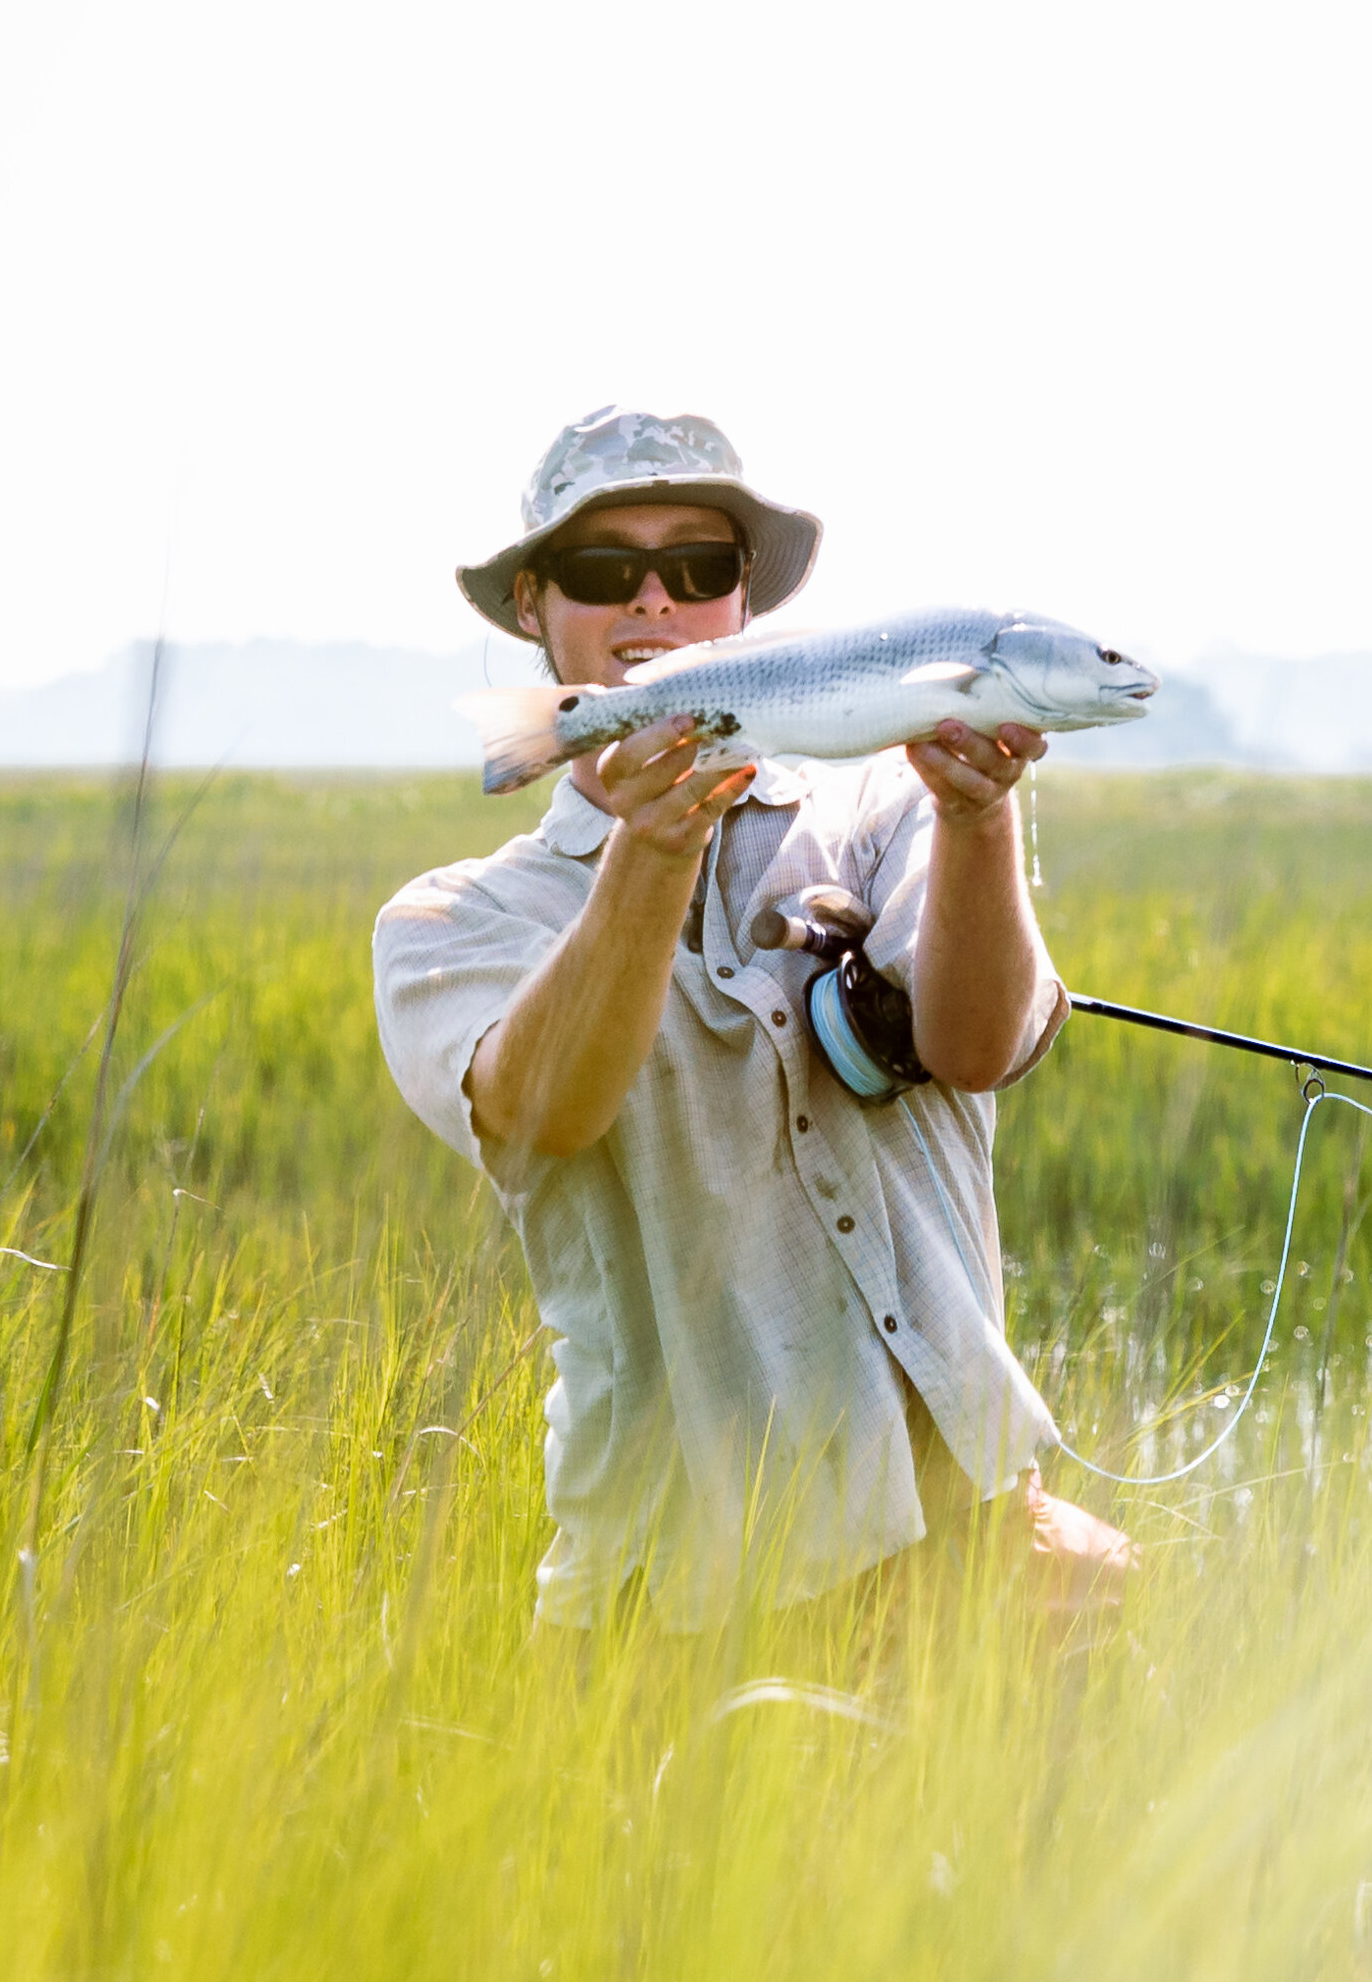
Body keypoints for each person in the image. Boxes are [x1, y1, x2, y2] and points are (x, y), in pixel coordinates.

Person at [372, 405, 1130, 1635]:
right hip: (674, 1588)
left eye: (701, 568)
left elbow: (975, 1047)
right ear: (532, 607)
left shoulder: (892, 798)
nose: (654, 604)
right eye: (604, 571)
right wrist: (649, 846)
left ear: (741, 604)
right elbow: (539, 1110)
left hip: (971, 1538)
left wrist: (981, 820)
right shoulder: (451, 921)